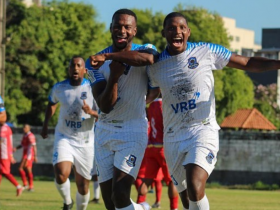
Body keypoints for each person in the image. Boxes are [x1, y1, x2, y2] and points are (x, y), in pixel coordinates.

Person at [146, 12, 280, 210]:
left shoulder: (206, 51)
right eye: (172, 28)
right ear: (164, 32)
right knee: (188, 200)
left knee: (195, 183)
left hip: (202, 130)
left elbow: (247, 62)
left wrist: (278, 63)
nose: (177, 32)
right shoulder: (155, 66)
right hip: (173, 137)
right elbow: (148, 96)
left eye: (182, 28)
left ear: (188, 32)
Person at [86, 8, 160, 210]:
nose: (122, 30)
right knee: (110, 203)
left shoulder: (146, 49)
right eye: (117, 26)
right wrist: (115, 76)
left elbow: (150, 59)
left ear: (134, 30)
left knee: (120, 194)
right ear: (110, 28)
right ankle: (143, 208)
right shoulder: (93, 62)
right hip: (104, 131)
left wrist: (110, 57)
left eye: (127, 27)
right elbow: (105, 106)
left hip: (132, 130)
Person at [40, 56, 98, 210]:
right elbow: (51, 104)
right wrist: (45, 125)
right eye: (73, 65)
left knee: (83, 185)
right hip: (64, 137)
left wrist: (90, 111)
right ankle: (67, 202)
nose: (75, 69)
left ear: (85, 70)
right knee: (60, 173)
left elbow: (103, 115)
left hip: (85, 141)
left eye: (79, 66)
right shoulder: (59, 87)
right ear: (69, 68)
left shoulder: (93, 88)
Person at [138, 98, 179, 210]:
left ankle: (139, 204)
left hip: (151, 147)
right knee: (172, 181)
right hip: (163, 147)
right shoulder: (164, 104)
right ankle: (174, 208)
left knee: (146, 180)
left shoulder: (151, 105)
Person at [0, 96, 23, 196]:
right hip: (4, 154)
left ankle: (18, 186)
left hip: (4, 154)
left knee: (5, 172)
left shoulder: (4, 129)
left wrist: (10, 155)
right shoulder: (5, 128)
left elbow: (1, 141)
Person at [13, 124, 37, 191]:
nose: (24, 129)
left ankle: (28, 185)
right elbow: (22, 145)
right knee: (26, 169)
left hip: (28, 155)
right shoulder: (25, 136)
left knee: (22, 169)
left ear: (29, 129)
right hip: (25, 154)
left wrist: (34, 156)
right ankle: (29, 186)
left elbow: (33, 146)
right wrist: (16, 148)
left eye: (26, 128)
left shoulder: (30, 136)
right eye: (23, 127)